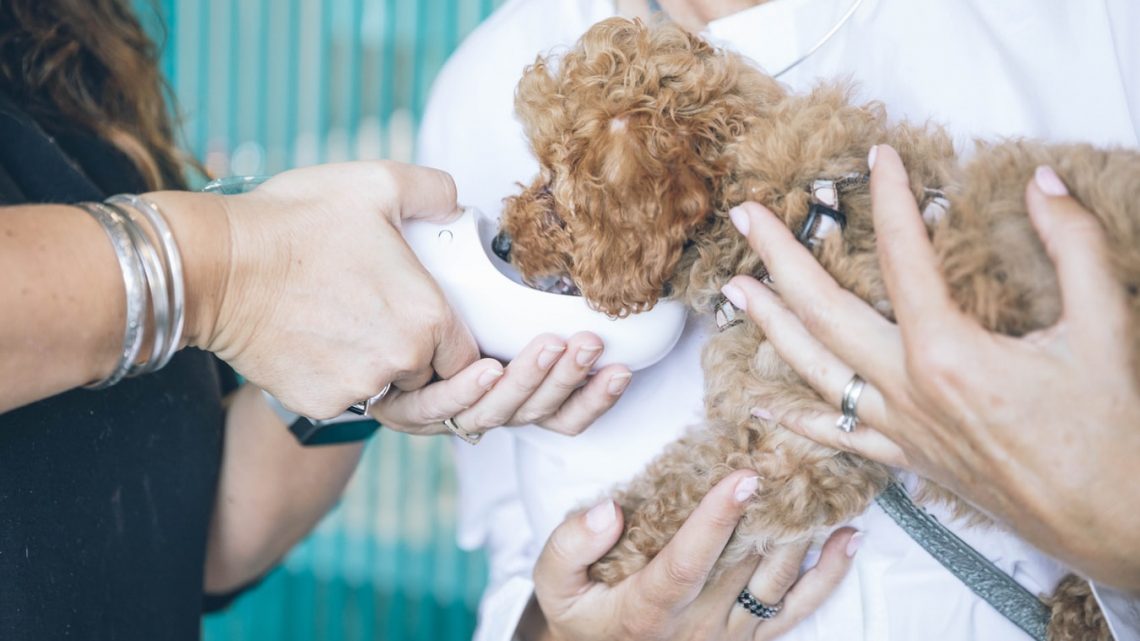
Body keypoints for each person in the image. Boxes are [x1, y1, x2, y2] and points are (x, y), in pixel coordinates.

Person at [416, 0, 1140, 639]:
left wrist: (1122, 531)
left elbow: (796, 464)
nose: (519, 224)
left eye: (556, 193)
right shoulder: (476, 82)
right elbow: (515, 556)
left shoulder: (1097, 21)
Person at [0, 2, 627, 639]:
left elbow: (200, 542)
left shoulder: (60, 48)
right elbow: (222, 278)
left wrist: (367, 329)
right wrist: (225, 267)